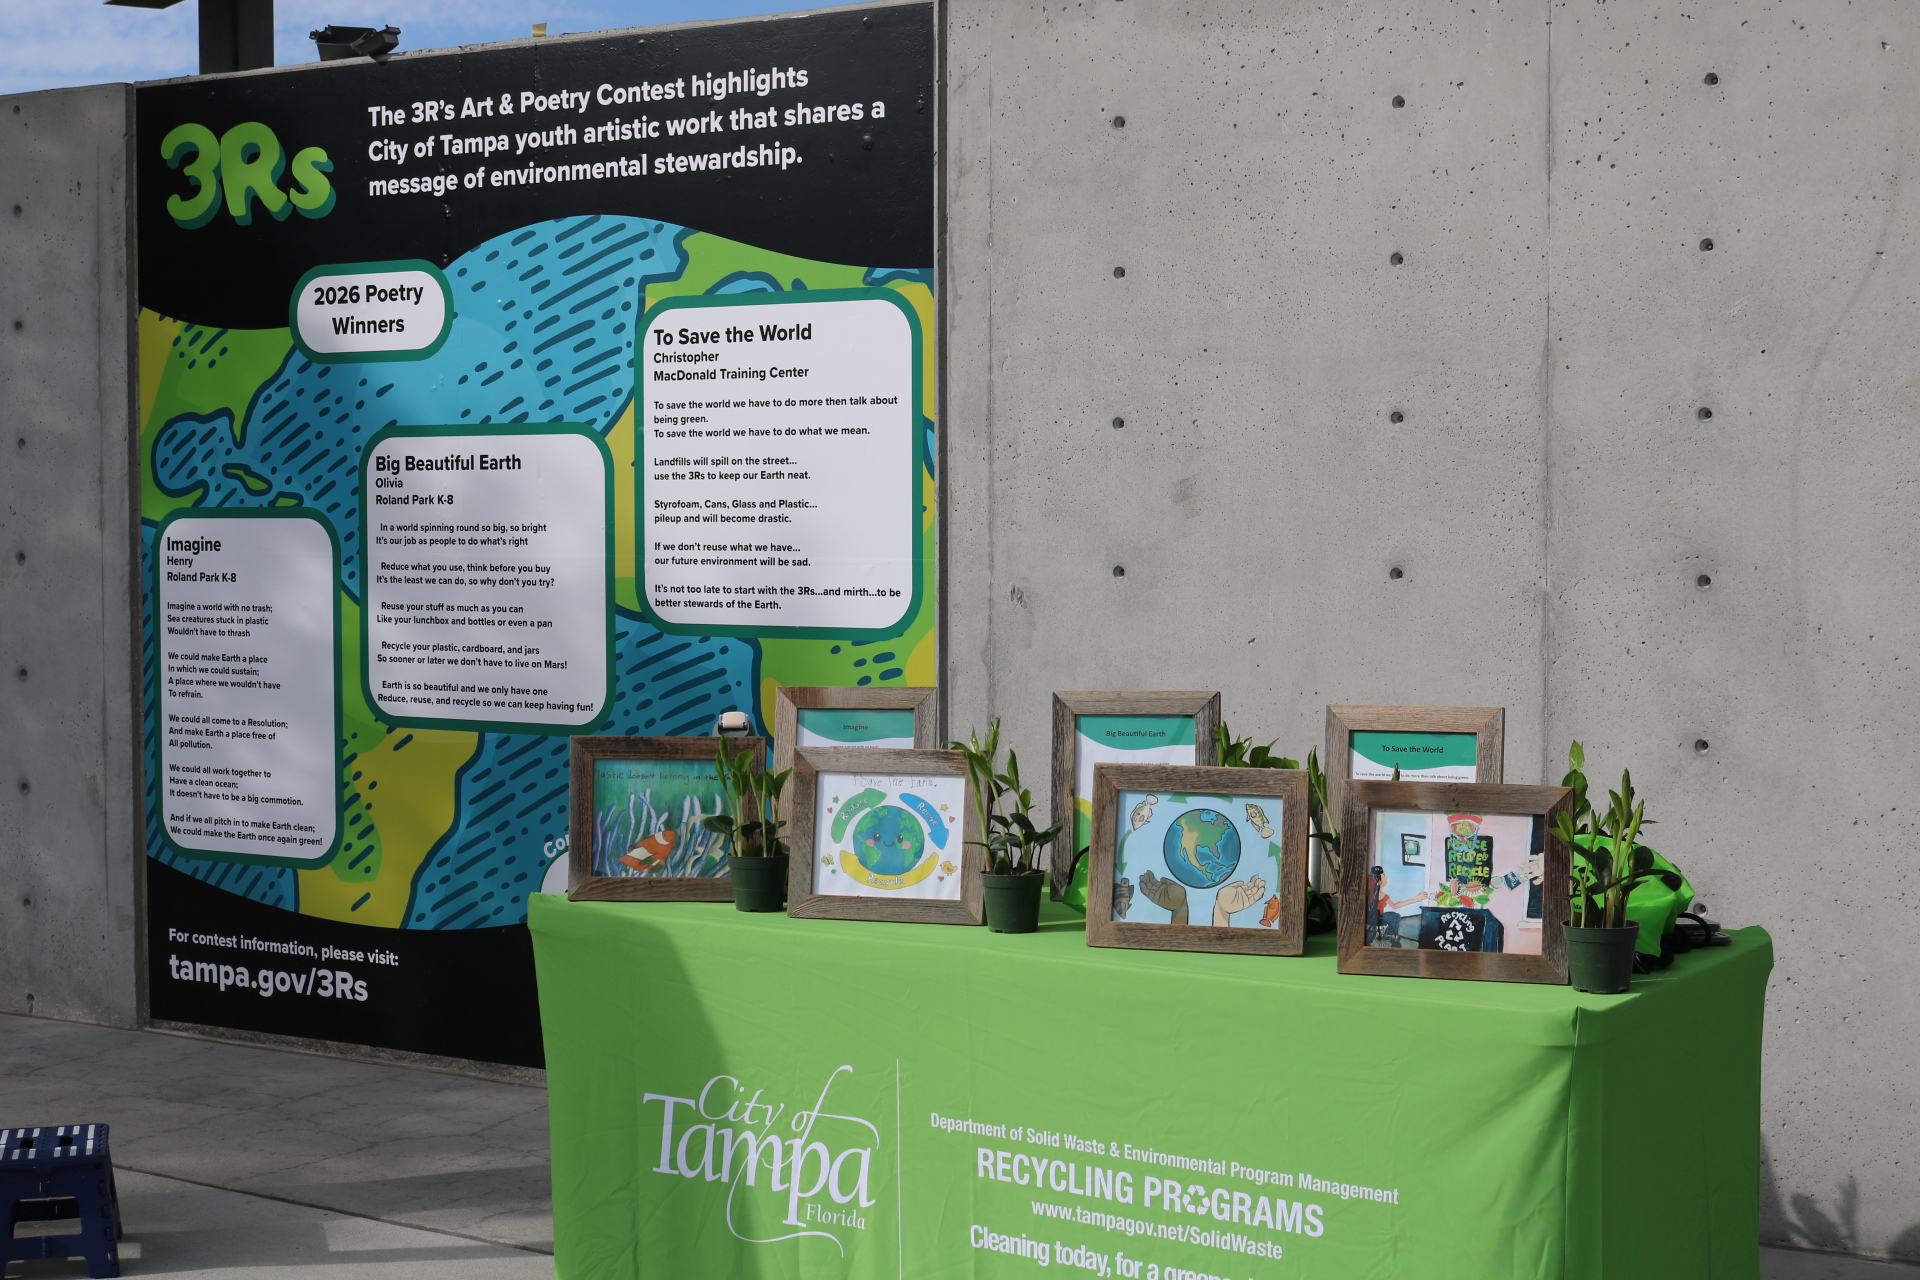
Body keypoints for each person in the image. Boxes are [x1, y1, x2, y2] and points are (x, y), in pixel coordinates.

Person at [1371, 866, 1429, 946]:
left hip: (1372, 916)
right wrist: (1415, 899)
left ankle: (1387, 934)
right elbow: (1395, 906)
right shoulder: (1382, 895)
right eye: (1384, 876)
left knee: (1392, 914)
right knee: (1395, 916)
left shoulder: (1371, 893)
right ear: (1379, 881)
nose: (1386, 877)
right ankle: (1391, 936)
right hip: (1378, 918)